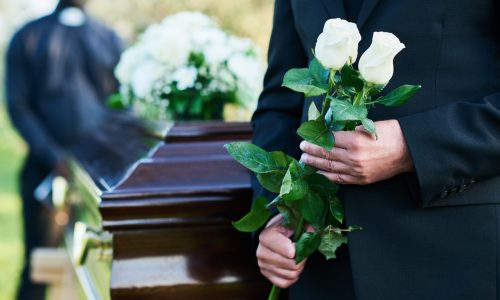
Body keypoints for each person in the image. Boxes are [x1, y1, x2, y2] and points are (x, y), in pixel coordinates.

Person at [252, 0, 500, 299]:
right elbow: (281, 103)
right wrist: (277, 214)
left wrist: (410, 146)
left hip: (454, 260)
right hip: (318, 266)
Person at [5, 0, 123, 299]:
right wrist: (53, 155)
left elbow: (121, 105)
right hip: (45, 173)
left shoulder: (108, 37)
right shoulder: (28, 36)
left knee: (103, 276)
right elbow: (18, 105)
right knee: (38, 267)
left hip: (100, 179)